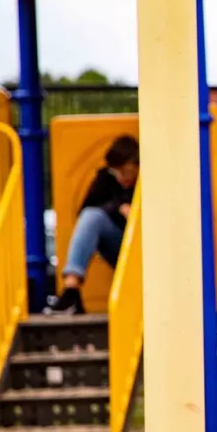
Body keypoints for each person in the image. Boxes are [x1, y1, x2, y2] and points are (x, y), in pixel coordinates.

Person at [46, 134, 139, 315]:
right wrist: (118, 208)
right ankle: (71, 289)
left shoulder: (148, 180)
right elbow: (85, 212)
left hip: (145, 249)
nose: (122, 177)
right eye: (117, 172)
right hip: (119, 246)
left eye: (127, 171)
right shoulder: (106, 179)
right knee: (92, 216)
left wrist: (136, 213)